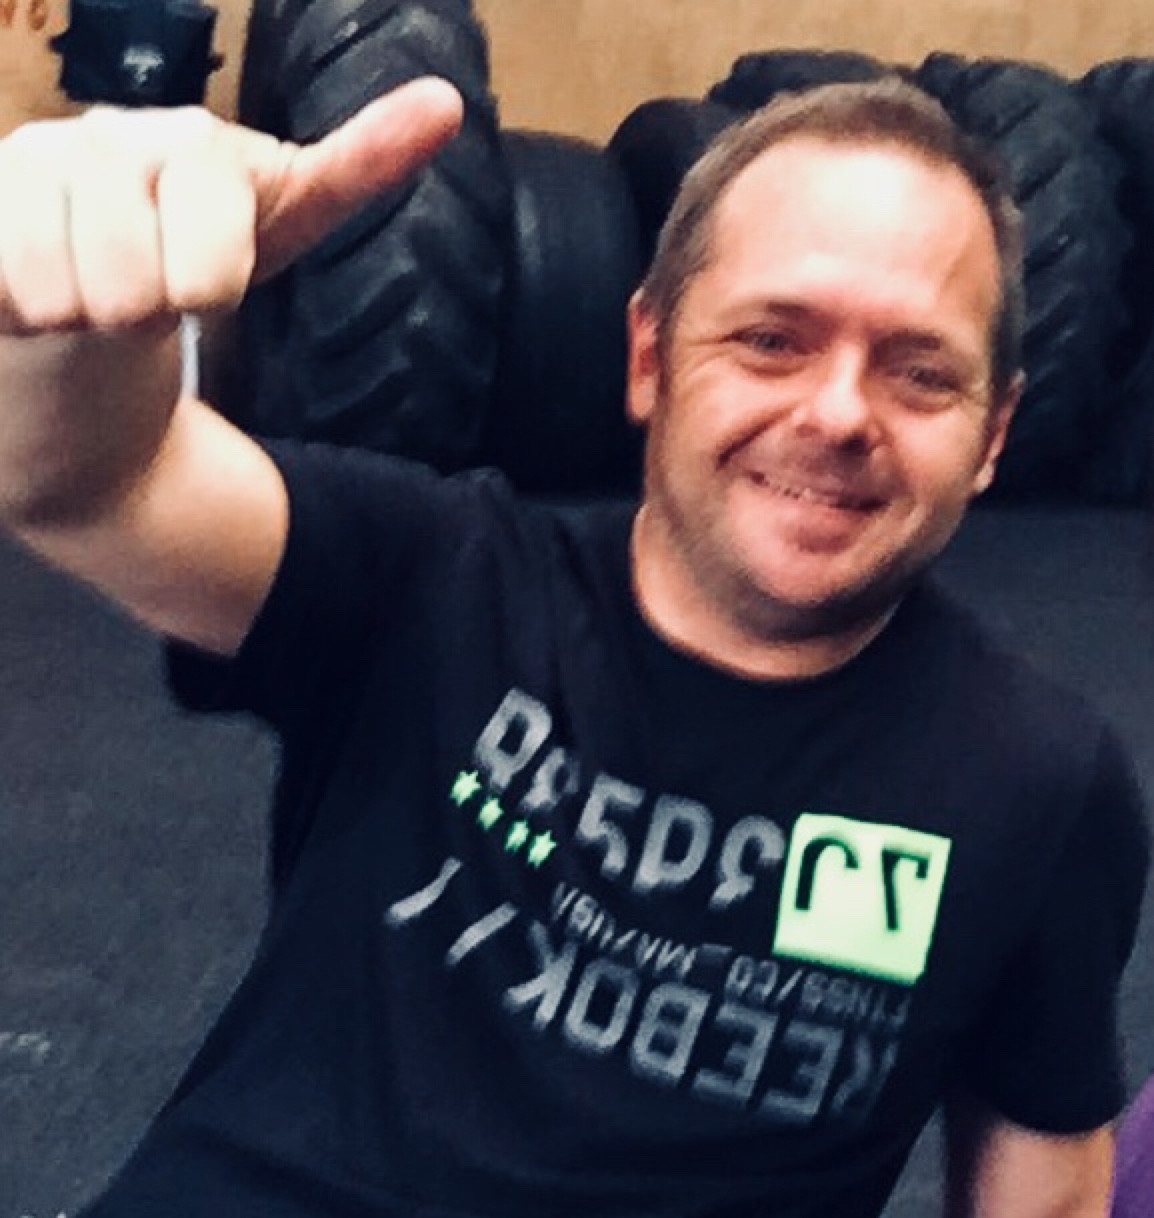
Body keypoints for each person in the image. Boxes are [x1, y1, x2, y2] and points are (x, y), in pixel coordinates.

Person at [0, 72, 1147, 1218]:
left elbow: (1044, 1196)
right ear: (648, 358)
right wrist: (66, 327)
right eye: (770, 340)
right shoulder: (428, 575)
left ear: (990, 434)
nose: (839, 414)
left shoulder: (1037, 781)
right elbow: (90, 482)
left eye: (919, 373)